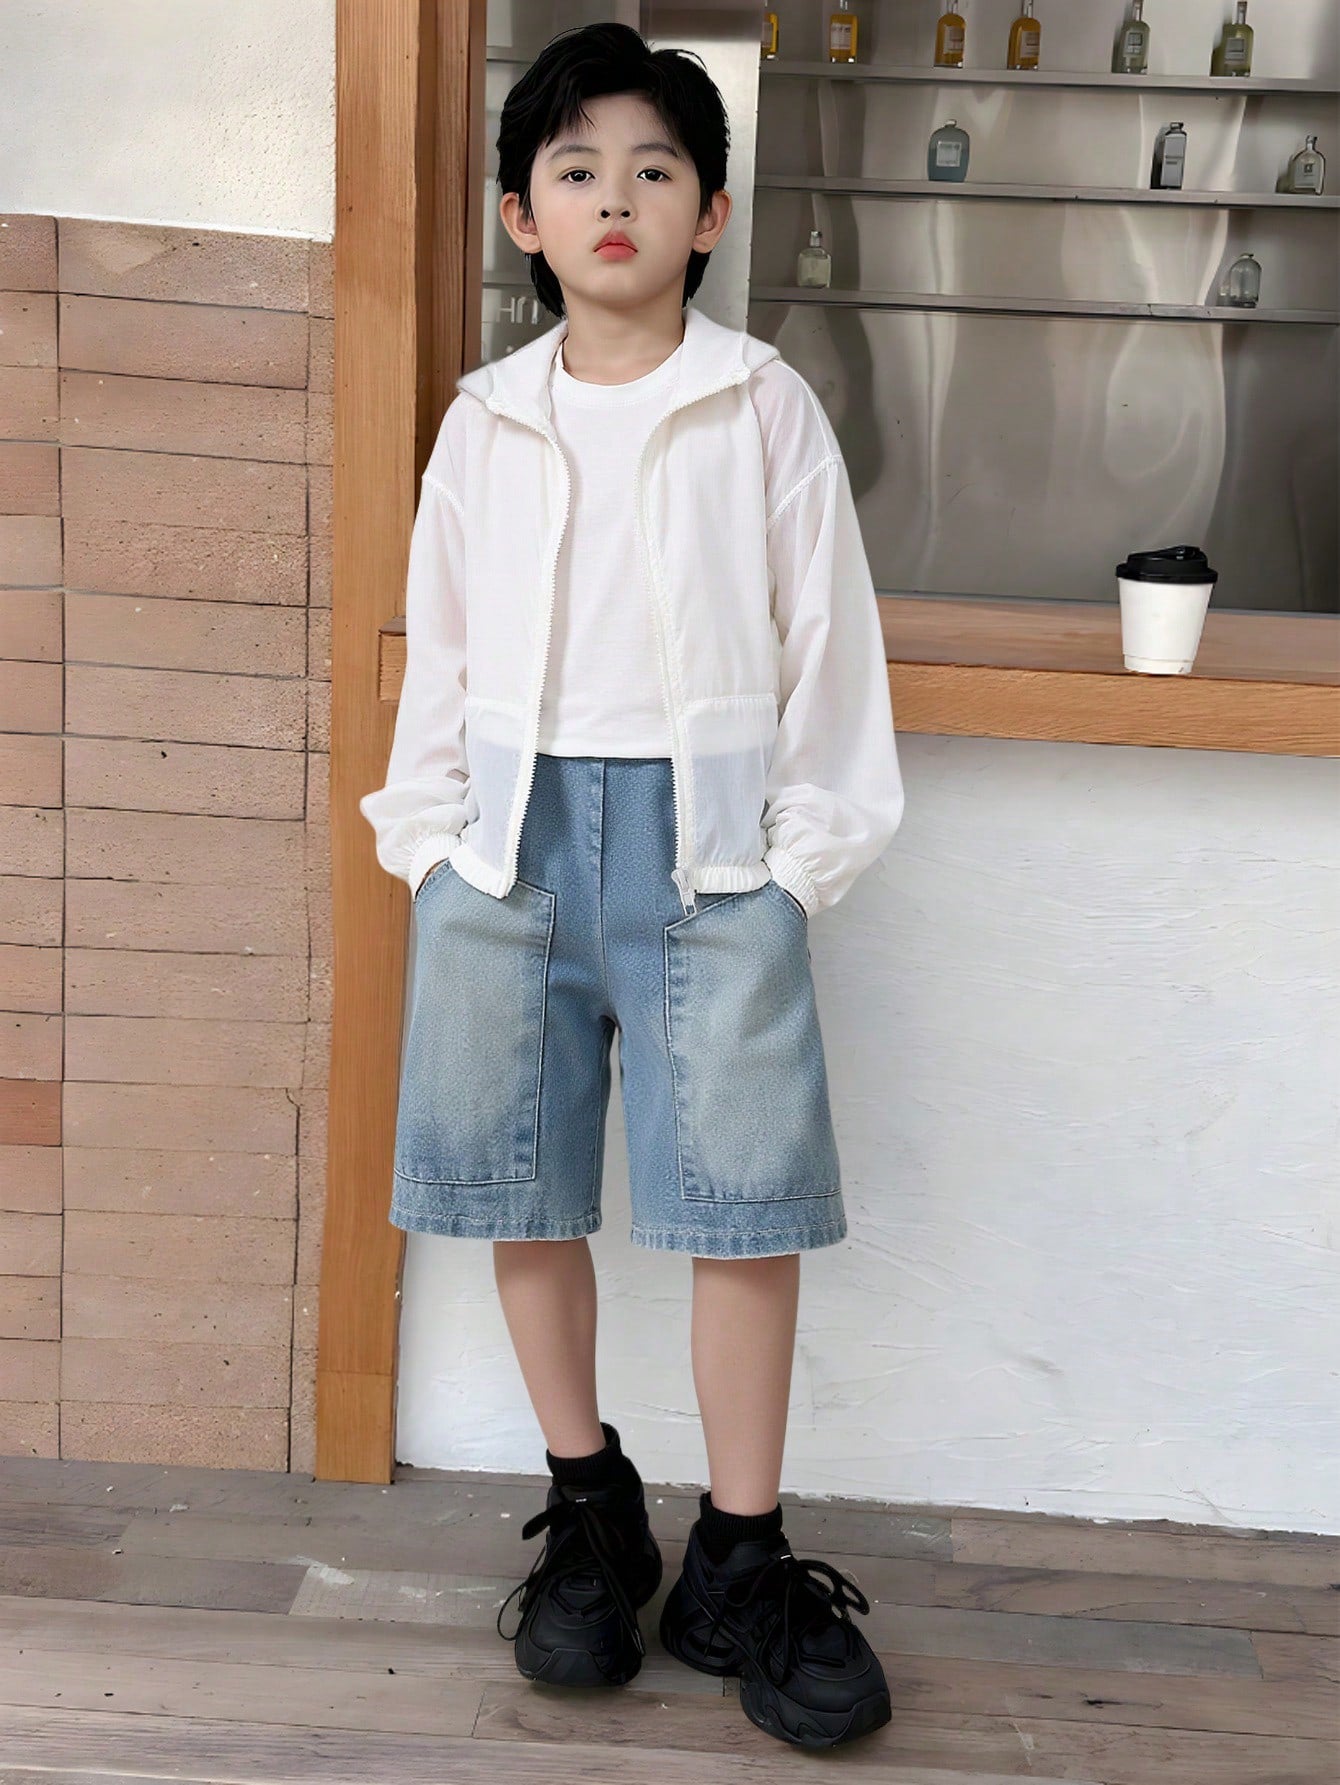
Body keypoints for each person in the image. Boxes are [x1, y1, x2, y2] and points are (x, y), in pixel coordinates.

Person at [359, 21, 904, 1752]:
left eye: (656, 168)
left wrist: (795, 869)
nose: (617, 196)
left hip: (713, 852)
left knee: (741, 1203)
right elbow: (442, 647)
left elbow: (830, 650)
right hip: (507, 848)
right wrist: (433, 845)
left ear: (710, 213)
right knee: (522, 1183)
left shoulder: (761, 406)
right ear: (522, 216)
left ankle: (740, 1553)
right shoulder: (486, 424)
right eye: (577, 168)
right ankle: (590, 1506)